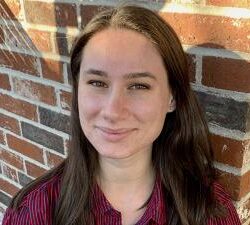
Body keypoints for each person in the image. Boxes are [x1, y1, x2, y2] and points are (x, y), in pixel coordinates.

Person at [2, 5, 241, 225]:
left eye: (139, 85)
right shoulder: (31, 212)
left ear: (172, 98)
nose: (113, 111)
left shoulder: (212, 211)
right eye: (97, 82)